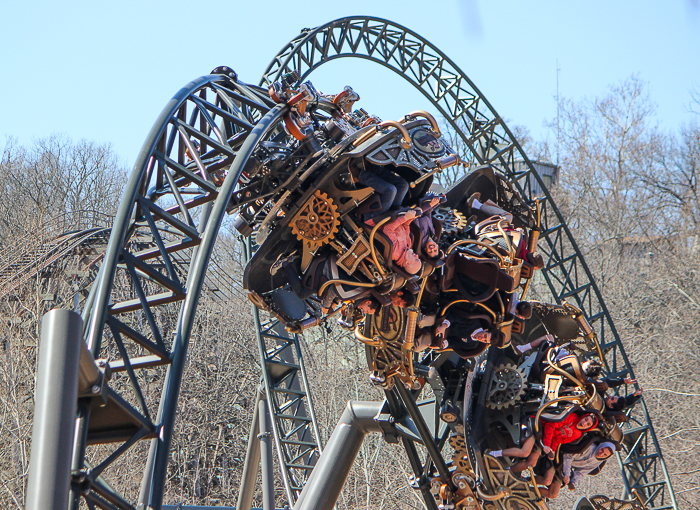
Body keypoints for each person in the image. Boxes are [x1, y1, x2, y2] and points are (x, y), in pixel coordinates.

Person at [488, 412, 599, 472]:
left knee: (531, 463)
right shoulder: (571, 416)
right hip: (538, 427)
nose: (584, 423)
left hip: (543, 440)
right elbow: (551, 426)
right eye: (585, 419)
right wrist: (546, 445)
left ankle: (506, 472)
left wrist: (552, 452)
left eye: (587, 424)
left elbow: (557, 440)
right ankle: (493, 454)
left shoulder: (577, 435)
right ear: (583, 417)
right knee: (525, 452)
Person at [382, 209, 423, 274]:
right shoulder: (408, 246)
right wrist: (412, 217)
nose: (417, 255)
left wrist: (405, 218)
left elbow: (388, 228)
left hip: (379, 218)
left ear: (408, 263)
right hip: (393, 215)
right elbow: (405, 226)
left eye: (416, 259)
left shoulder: (394, 253)